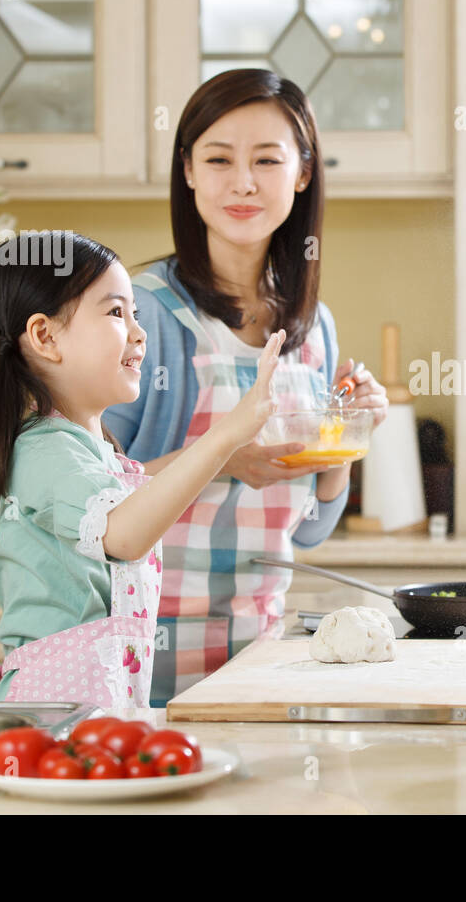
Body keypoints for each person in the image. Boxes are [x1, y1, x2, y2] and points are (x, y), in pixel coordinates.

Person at [102, 69, 388, 705]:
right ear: (188, 172)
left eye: (267, 159)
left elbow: (310, 531)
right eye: (219, 158)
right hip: (137, 649)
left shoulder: (313, 327)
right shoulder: (139, 315)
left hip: (259, 652)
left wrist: (348, 437)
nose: (243, 182)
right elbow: (90, 506)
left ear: (303, 172)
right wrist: (219, 457)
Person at [0, 232, 285, 708]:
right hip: (50, 712)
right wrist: (227, 434)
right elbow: (125, 535)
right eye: (116, 313)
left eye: (135, 312)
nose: (139, 331)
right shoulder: (45, 449)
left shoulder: (92, 449)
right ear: (45, 337)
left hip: (97, 703)